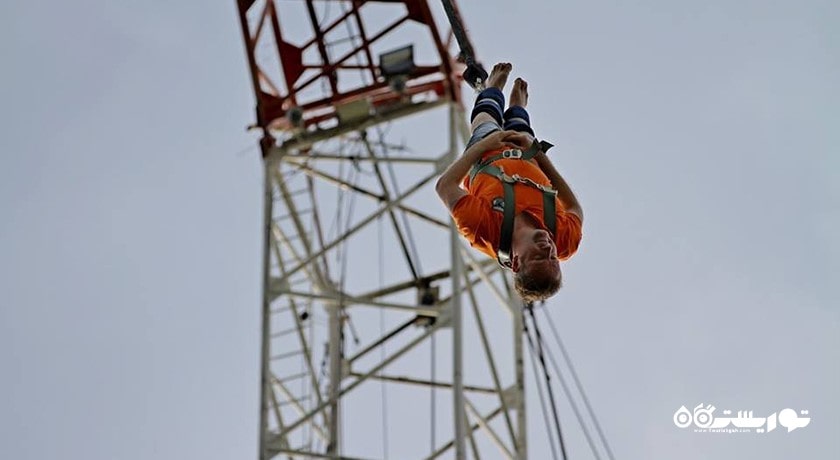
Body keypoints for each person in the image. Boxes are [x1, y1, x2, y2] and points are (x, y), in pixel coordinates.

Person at [435, 62, 584, 302]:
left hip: (487, 154)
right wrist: (539, 155)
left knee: (485, 119)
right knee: (521, 128)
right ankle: (517, 107)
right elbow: (574, 208)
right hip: (529, 158)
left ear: (516, 262)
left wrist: (484, 145)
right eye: (553, 258)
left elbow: (445, 186)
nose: (549, 249)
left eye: (538, 257)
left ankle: (492, 89)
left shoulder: (483, 230)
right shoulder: (564, 239)